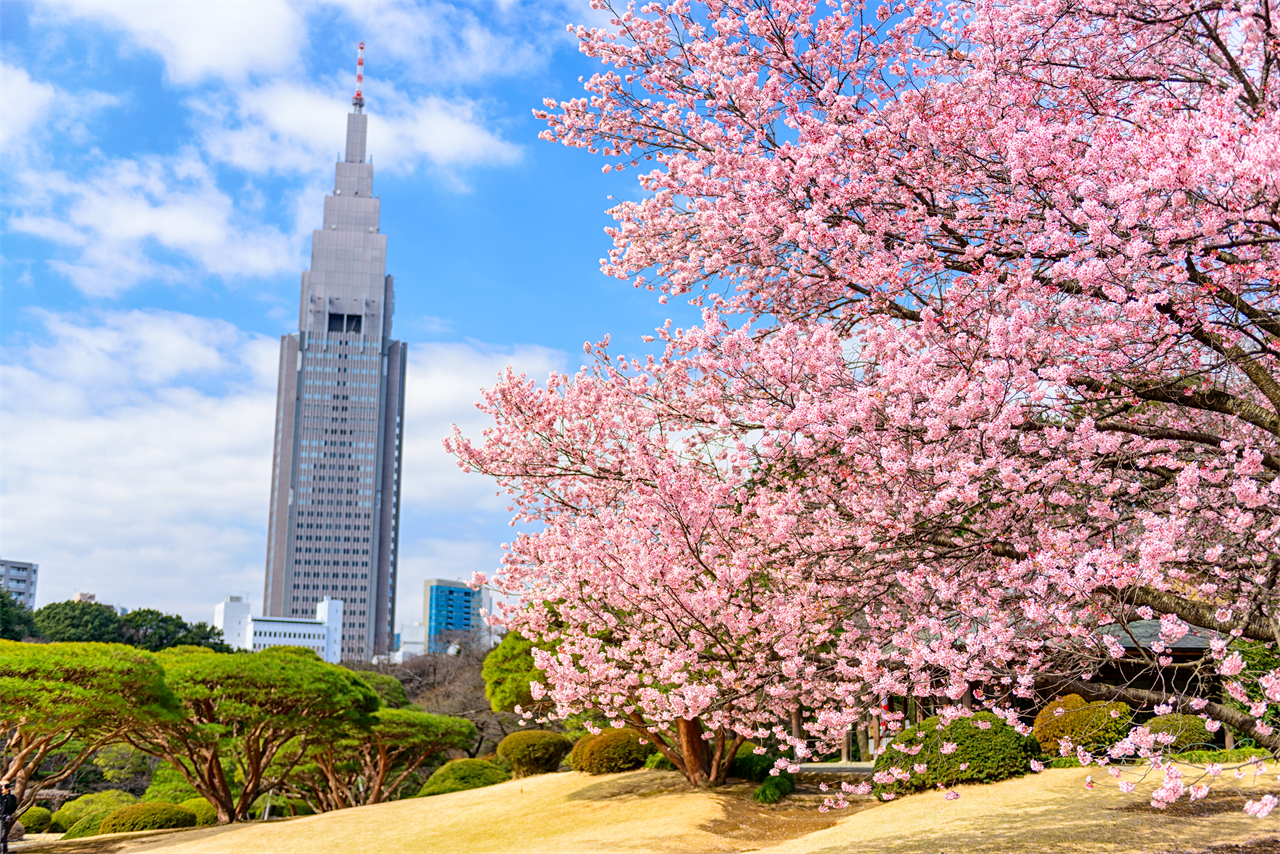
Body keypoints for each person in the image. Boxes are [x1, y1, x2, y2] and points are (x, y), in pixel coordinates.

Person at [0, 780, 16, 854]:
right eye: (2, 786)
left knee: (2, 838)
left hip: (3, 819)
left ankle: (3, 852)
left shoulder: (11, 797)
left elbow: (11, 806)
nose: (3, 787)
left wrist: (6, 795)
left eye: (6, 786)